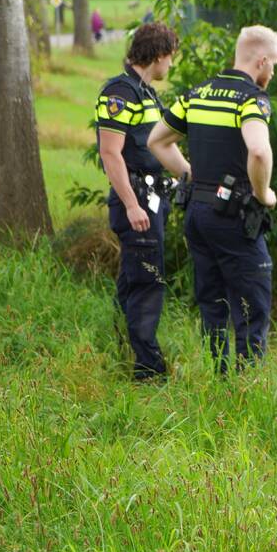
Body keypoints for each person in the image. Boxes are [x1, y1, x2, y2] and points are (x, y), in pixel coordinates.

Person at [148, 25, 277, 374]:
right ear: (262, 60)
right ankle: (247, 386)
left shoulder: (198, 93)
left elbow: (157, 141)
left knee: (212, 302)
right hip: (235, 217)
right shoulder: (252, 99)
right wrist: (263, 193)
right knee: (253, 306)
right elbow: (258, 150)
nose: (273, 72)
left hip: (197, 214)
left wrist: (190, 175)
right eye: (274, 65)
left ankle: (219, 379)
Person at [95, 22, 188, 381]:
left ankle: (125, 348)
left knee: (133, 281)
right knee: (148, 282)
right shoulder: (120, 92)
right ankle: (149, 370)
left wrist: (190, 177)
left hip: (152, 198)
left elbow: (163, 147)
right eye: (171, 58)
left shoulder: (146, 93)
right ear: (160, 55)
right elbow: (111, 154)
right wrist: (132, 205)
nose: (171, 66)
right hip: (135, 202)